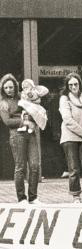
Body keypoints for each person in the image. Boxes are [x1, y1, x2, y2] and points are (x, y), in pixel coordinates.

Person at [0, 74, 41, 204]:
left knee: (34, 165)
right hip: (16, 135)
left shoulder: (22, 97)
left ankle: (33, 197)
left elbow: (34, 108)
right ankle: (21, 198)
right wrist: (24, 122)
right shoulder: (3, 103)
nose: (9, 90)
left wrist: (34, 120)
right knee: (20, 167)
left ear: (15, 86)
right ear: (2, 89)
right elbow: (7, 121)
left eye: (11, 87)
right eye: (6, 87)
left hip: (31, 134)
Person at [59, 72, 82, 203]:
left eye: (76, 84)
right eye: (70, 85)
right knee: (73, 169)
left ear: (80, 84)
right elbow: (68, 120)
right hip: (70, 137)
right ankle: (76, 196)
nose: (74, 87)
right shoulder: (64, 99)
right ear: (67, 86)